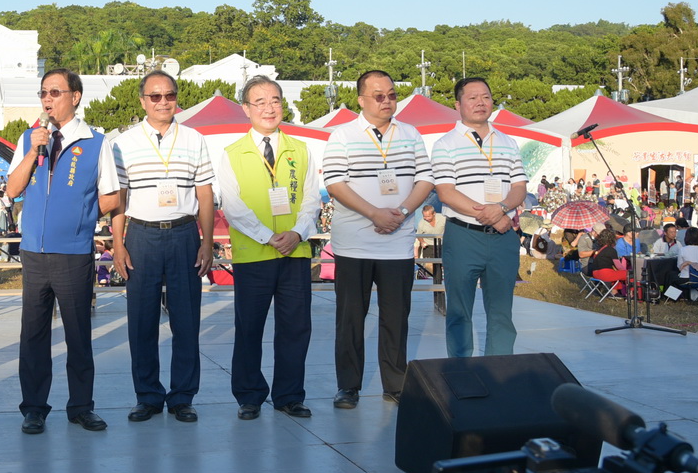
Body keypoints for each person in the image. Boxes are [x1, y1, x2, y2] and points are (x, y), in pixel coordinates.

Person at [6, 68, 119, 435]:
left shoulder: (97, 143)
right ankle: (34, 408)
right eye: (43, 93)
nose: (47, 99)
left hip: (73, 252)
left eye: (55, 92)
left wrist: (81, 218)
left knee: (77, 332)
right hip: (34, 252)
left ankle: (81, 406)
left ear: (76, 96)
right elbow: (12, 189)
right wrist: (33, 149)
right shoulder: (29, 138)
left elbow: (113, 195)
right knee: (34, 334)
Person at [323, 70, 434, 409]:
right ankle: (349, 386)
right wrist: (374, 213)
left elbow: (426, 179)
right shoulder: (342, 135)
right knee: (351, 319)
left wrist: (399, 211)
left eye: (391, 95)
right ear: (361, 99)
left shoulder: (411, 133)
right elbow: (334, 183)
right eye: (378, 96)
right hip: (354, 243)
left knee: (396, 317)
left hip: (398, 243)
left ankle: (396, 385)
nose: (387, 101)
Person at [110, 70, 215, 423]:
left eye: (169, 95)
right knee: (142, 320)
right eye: (155, 96)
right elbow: (119, 199)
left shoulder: (194, 138)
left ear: (176, 99)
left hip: (185, 233)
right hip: (142, 235)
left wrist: (207, 241)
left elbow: (204, 193)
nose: (163, 102)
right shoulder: (123, 142)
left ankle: (183, 396)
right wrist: (118, 244)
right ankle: (148, 396)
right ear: (142, 101)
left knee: (186, 319)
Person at [218, 75, 320, 420]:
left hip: (296, 252)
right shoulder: (232, 154)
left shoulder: (301, 150)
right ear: (246, 109)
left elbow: (311, 200)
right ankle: (249, 395)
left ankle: (290, 395)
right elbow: (232, 206)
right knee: (249, 327)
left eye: (274, 100)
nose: (268, 107)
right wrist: (267, 236)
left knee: (295, 326)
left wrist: (297, 233)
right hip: (253, 255)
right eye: (259, 102)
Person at [432, 77, 527, 357]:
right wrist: (490, 214)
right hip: (463, 237)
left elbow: (520, 187)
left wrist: (502, 208)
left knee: (502, 314)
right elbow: (447, 192)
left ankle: (499, 374)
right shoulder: (445, 144)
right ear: (458, 104)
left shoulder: (508, 142)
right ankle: (462, 375)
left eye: (485, 96)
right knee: (459, 312)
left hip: (502, 239)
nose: (480, 103)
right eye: (472, 98)